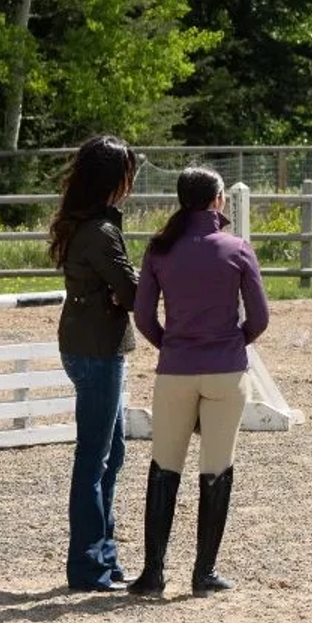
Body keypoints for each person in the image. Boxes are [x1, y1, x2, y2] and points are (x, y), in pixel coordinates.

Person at [128, 167, 270, 597]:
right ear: (218, 200)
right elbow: (260, 318)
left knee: (163, 466)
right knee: (216, 466)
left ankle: (153, 572)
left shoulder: (159, 249)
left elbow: (143, 317)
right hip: (225, 370)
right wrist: (232, 343)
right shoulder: (237, 249)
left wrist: (170, 344)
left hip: (176, 370)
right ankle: (203, 573)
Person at [48, 135, 140, 592]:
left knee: (111, 453)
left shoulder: (87, 222)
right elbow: (131, 291)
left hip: (88, 343)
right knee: (95, 458)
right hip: (98, 349)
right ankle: (88, 565)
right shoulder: (102, 232)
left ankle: (104, 556)